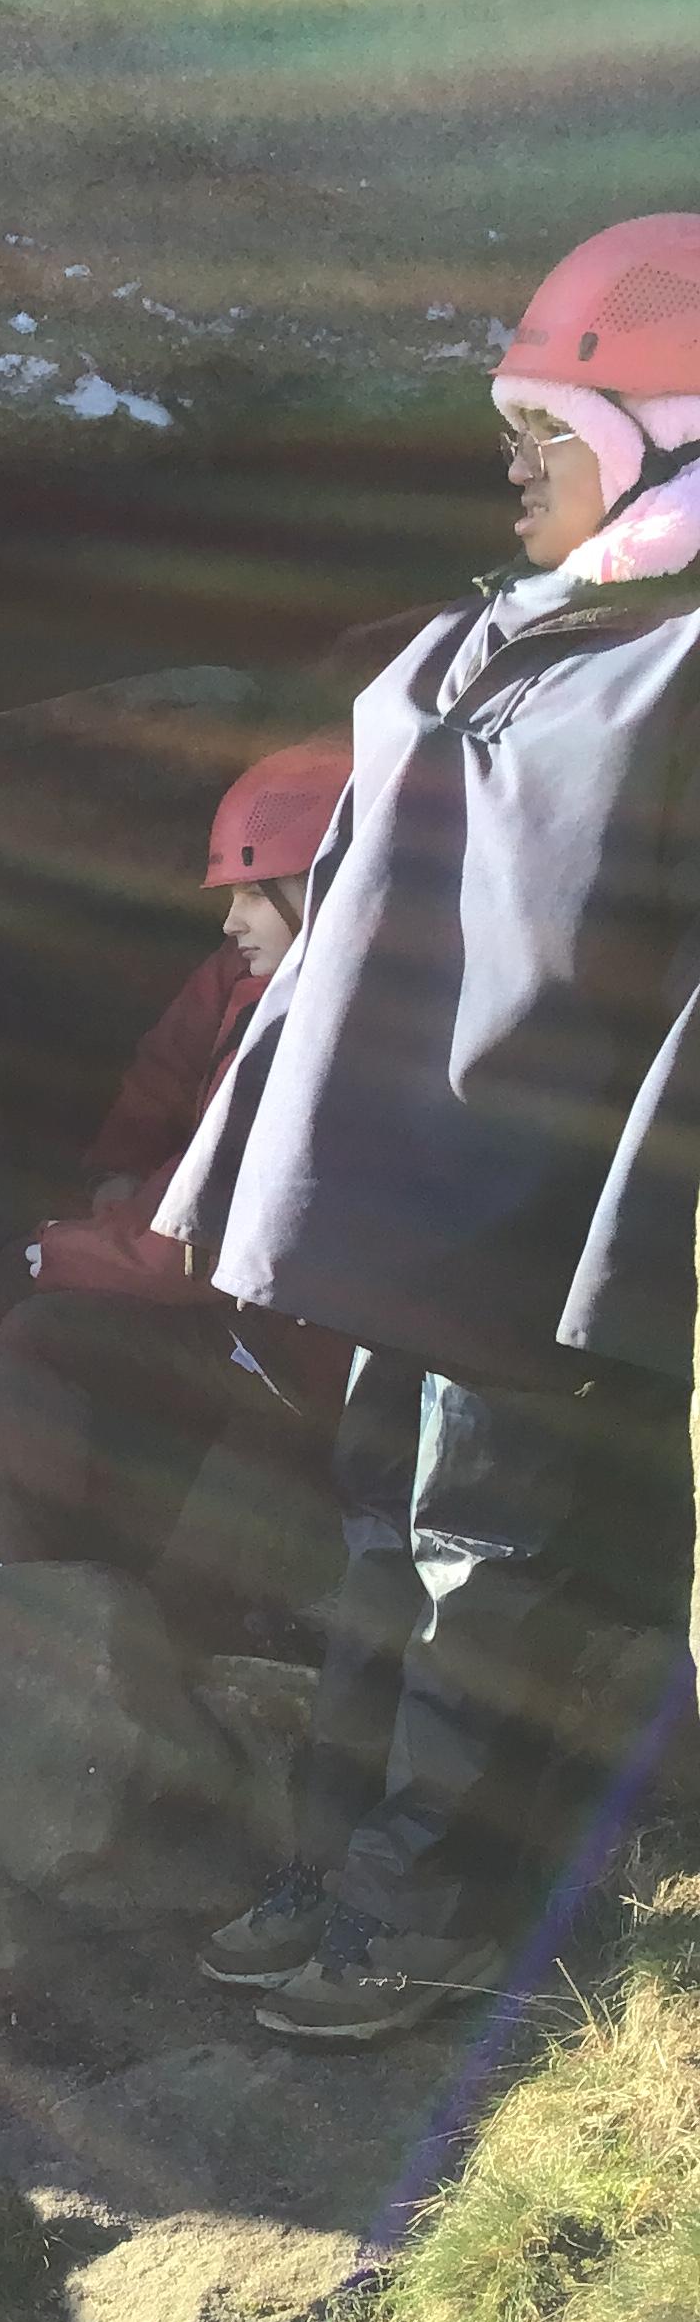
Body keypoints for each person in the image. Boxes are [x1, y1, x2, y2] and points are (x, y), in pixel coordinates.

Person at [164, 213, 700, 2042]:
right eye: (513, 428)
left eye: (551, 428)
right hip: (411, 1192)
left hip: (539, 1205)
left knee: (486, 1565)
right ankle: (341, 1865)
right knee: (384, 1538)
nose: (513, 462)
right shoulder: (509, 629)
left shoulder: (677, 659)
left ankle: (433, 1914)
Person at [0, 738, 350, 1618]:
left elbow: (208, 1234)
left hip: (290, 1349)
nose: (231, 920)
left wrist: (69, 1249)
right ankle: (43, 1583)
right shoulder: (254, 978)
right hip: (244, 1314)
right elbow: (165, 1080)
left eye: (255, 893)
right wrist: (116, 1175)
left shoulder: (328, 1029)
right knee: (33, 1304)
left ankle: (61, 1590)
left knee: (39, 1307)